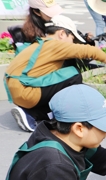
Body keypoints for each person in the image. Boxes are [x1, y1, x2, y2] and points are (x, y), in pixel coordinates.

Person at [5, 15, 106, 122]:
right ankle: (36, 115)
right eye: (72, 38)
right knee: (74, 75)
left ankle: (33, 113)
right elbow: (90, 51)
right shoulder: (55, 45)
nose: (72, 42)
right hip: (27, 93)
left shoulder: (40, 43)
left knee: (62, 73)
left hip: (17, 91)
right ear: (62, 34)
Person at [8, 0, 64, 133]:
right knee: (71, 75)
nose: (53, 15)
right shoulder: (27, 35)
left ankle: (41, 112)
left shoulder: (54, 25)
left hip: (30, 85)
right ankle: (33, 113)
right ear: (36, 12)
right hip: (30, 84)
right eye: (49, 13)